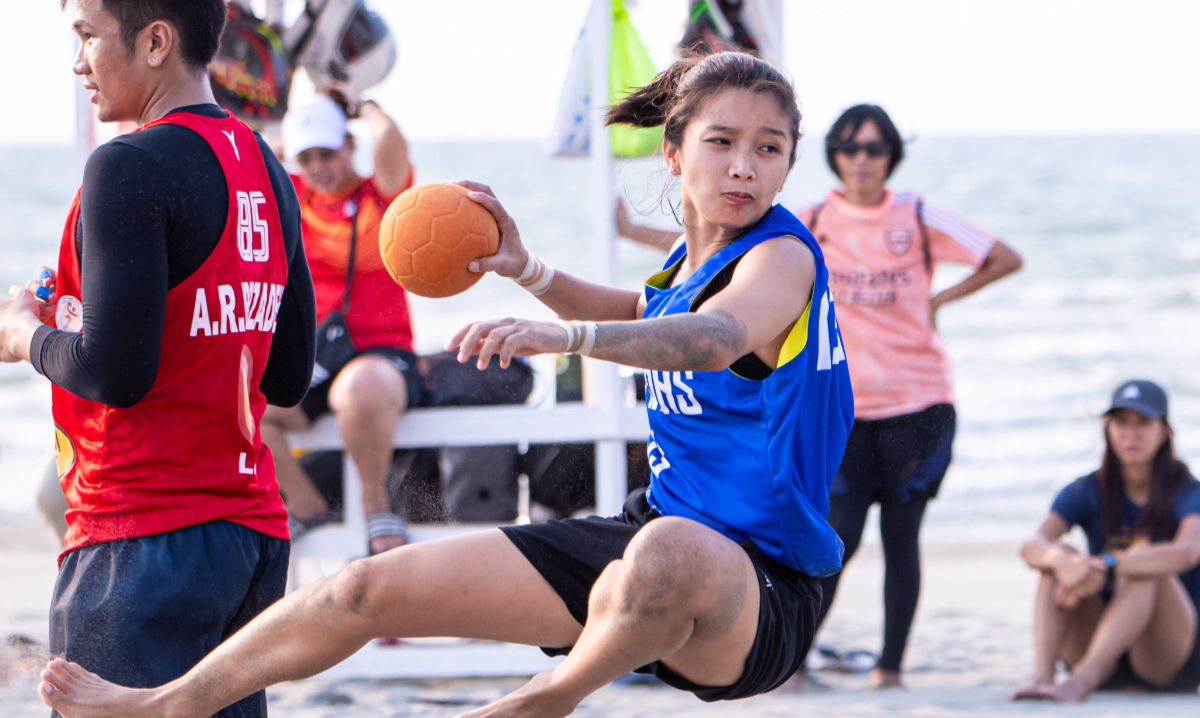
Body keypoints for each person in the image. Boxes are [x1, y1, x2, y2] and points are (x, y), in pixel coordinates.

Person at [38, 49, 855, 717]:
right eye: (722, 142)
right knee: (365, 589)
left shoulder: (781, 258)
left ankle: (545, 698)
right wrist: (526, 269)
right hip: (646, 553)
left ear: (788, 164)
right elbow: (638, 310)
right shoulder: (685, 267)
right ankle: (169, 703)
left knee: (671, 552)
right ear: (674, 152)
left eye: (769, 148)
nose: (744, 166)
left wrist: (565, 339)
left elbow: (712, 340)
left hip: (761, 588)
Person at [0, 1, 315, 716]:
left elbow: (115, 373)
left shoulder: (127, 165)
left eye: (88, 36)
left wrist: (22, 337)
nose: (77, 62)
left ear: (155, 42)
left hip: (140, 539)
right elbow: (288, 373)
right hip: (249, 536)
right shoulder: (265, 164)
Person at [798, 104, 1023, 689]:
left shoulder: (918, 216)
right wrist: (628, 229)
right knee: (837, 538)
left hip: (920, 406)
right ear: (833, 155)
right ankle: (793, 664)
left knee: (902, 538)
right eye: (849, 147)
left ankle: (890, 671)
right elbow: (736, 252)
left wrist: (941, 300)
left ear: (891, 156)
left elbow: (1005, 257)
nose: (861, 160)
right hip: (844, 411)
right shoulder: (812, 220)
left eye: (874, 148)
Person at [268, 89, 421, 554]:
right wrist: (297, 123)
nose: (318, 166)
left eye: (327, 152)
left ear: (350, 146)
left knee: (358, 390)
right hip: (320, 353)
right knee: (240, 403)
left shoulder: (381, 196)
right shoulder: (295, 197)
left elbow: (392, 146)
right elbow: (252, 163)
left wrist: (364, 107)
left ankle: (377, 505)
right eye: (307, 157)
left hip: (381, 355)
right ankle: (306, 507)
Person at [1013, 379, 1200, 702]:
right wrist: (1063, 562)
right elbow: (1032, 545)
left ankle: (1081, 681)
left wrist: (1109, 564)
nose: (1131, 434)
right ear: (1107, 428)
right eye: (1121, 422)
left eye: (1143, 422)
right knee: (1060, 555)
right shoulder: (1087, 488)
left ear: (1165, 431)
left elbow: (1188, 551)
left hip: (1165, 656)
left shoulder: (1187, 491)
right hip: (1101, 646)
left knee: (1145, 562)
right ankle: (1043, 676)